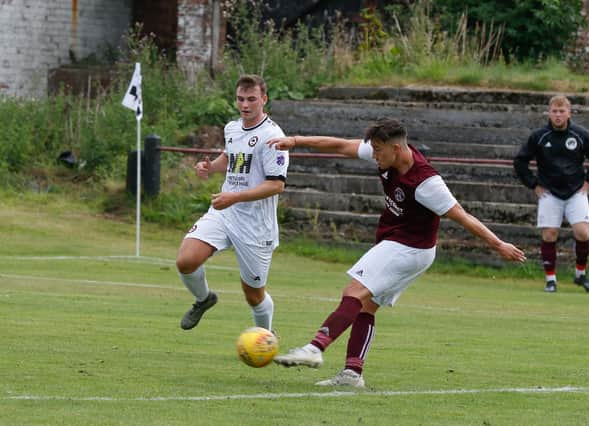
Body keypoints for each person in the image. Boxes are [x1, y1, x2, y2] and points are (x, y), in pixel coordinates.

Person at [266, 118, 526, 387]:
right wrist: (296, 142)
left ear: (397, 149)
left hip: (409, 248)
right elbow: (342, 146)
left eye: (378, 150)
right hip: (405, 246)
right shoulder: (387, 154)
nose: (374, 155)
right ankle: (352, 374)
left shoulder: (427, 183)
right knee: (366, 305)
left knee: (353, 292)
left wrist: (498, 245)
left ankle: (314, 348)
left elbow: (461, 216)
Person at [175, 74, 289, 332]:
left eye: (251, 99)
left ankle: (264, 336)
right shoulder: (232, 128)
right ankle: (204, 299)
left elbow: (276, 185)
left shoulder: (273, 137)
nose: (245, 105)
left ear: (264, 99)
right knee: (186, 260)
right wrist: (210, 167)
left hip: (255, 225)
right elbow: (231, 157)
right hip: (224, 213)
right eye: (240, 99)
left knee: (253, 295)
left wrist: (234, 197)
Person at [514, 95, 589, 293]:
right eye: (554, 111)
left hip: (575, 191)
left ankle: (580, 275)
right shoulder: (539, 136)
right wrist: (534, 184)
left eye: (561, 111)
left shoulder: (580, 135)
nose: (558, 115)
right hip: (549, 192)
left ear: (568, 113)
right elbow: (520, 162)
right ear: (549, 113)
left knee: (583, 232)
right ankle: (551, 280)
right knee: (549, 234)